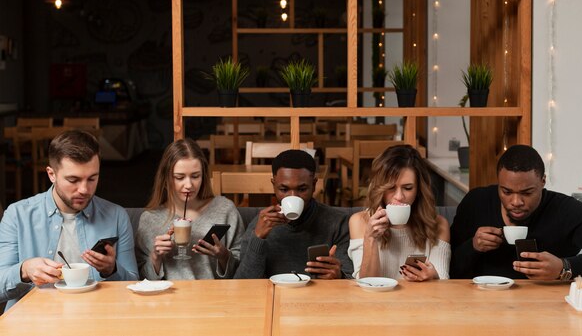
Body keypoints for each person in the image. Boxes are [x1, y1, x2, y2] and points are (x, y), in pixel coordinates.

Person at [0, 130, 138, 310]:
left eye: (92, 179)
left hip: (96, 319)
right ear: (51, 174)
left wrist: (111, 270)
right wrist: (24, 270)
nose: (84, 189)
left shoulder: (116, 216)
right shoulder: (17, 215)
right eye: (73, 180)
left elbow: (133, 285)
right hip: (33, 323)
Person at [450, 144, 582, 280]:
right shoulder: (476, 202)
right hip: (480, 306)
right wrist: (472, 247)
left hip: (548, 309)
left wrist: (565, 267)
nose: (516, 202)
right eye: (506, 192)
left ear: (543, 182)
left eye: (527, 193)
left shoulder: (563, 210)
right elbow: (448, 269)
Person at [135, 138, 244, 280]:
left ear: (203, 176)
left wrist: (224, 256)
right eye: (180, 177)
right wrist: (155, 258)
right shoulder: (150, 219)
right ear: (166, 179)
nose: (189, 185)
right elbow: (140, 277)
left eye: (195, 176)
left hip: (214, 297)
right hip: (168, 299)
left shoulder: (225, 209)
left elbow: (244, 269)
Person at [234, 149, 353, 279]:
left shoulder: (338, 222)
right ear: (274, 185)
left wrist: (339, 276)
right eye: (284, 189)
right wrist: (258, 238)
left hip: (319, 297)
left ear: (314, 185)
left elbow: (352, 281)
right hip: (274, 296)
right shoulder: (260, 224)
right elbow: (243, 283)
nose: (293, 196)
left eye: (302, 189)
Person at [348, 145, 450, 281]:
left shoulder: (438, 225)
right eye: (391, 188)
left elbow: (444, 284)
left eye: (407, 188)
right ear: (380, 188)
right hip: (377, 301)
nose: (399, 196)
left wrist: (434, 278)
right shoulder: (359, 221)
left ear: (419, 190)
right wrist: (370, 238)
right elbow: (366, 285)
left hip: (420, 300)